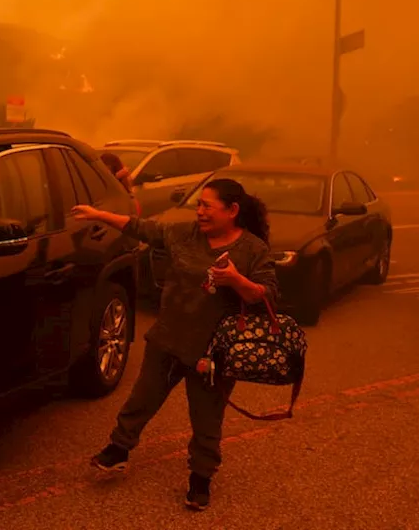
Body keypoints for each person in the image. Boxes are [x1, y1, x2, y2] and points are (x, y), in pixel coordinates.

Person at [71, 178, 278, 511]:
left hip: (214, 354)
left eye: (207, 205)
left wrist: (236, 280)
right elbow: (143, 228)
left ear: (232, 211)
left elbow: (267, 296)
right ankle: (118, 450)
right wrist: (99, 214)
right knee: (142, 399)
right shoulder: (184, 234)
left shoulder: (253, 249)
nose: (200, 211)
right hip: (168, 339)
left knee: (207, 419)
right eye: (198, 205)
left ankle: (200, 479)